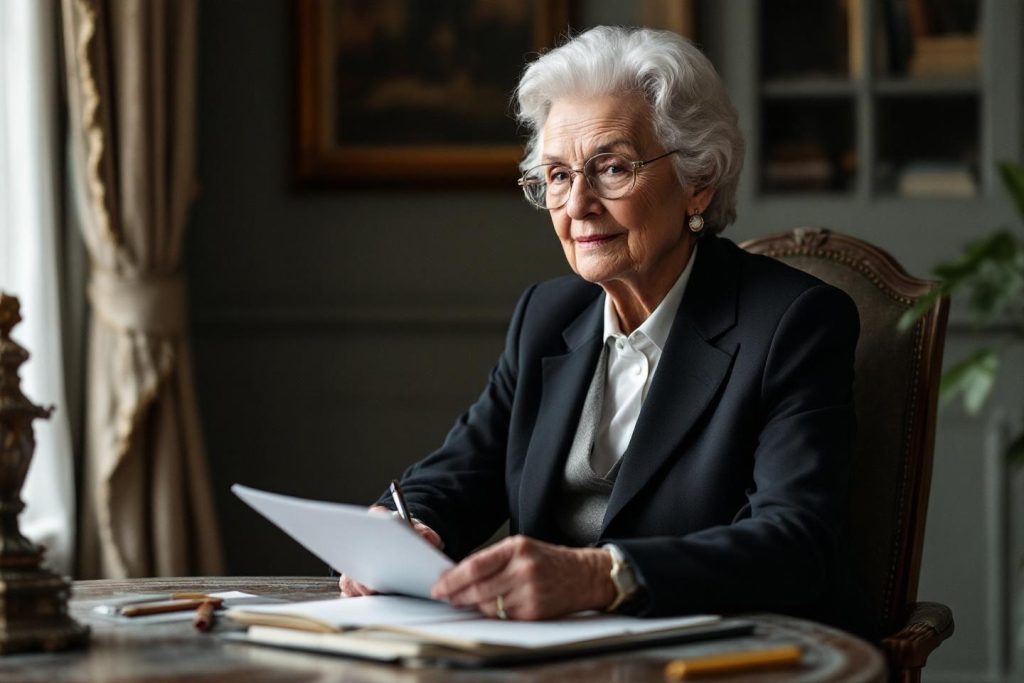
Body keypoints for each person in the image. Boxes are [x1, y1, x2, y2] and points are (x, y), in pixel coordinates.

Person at [340, 26, 871, 637]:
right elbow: (461, 472)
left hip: (718, 659)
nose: (578, 204)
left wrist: (603, 576)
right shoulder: (547, 316)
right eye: (558, 176)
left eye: (612, 168)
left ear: (698, 179)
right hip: (545, 657)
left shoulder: (793, 323)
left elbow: (792, 544)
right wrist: (404, 525)